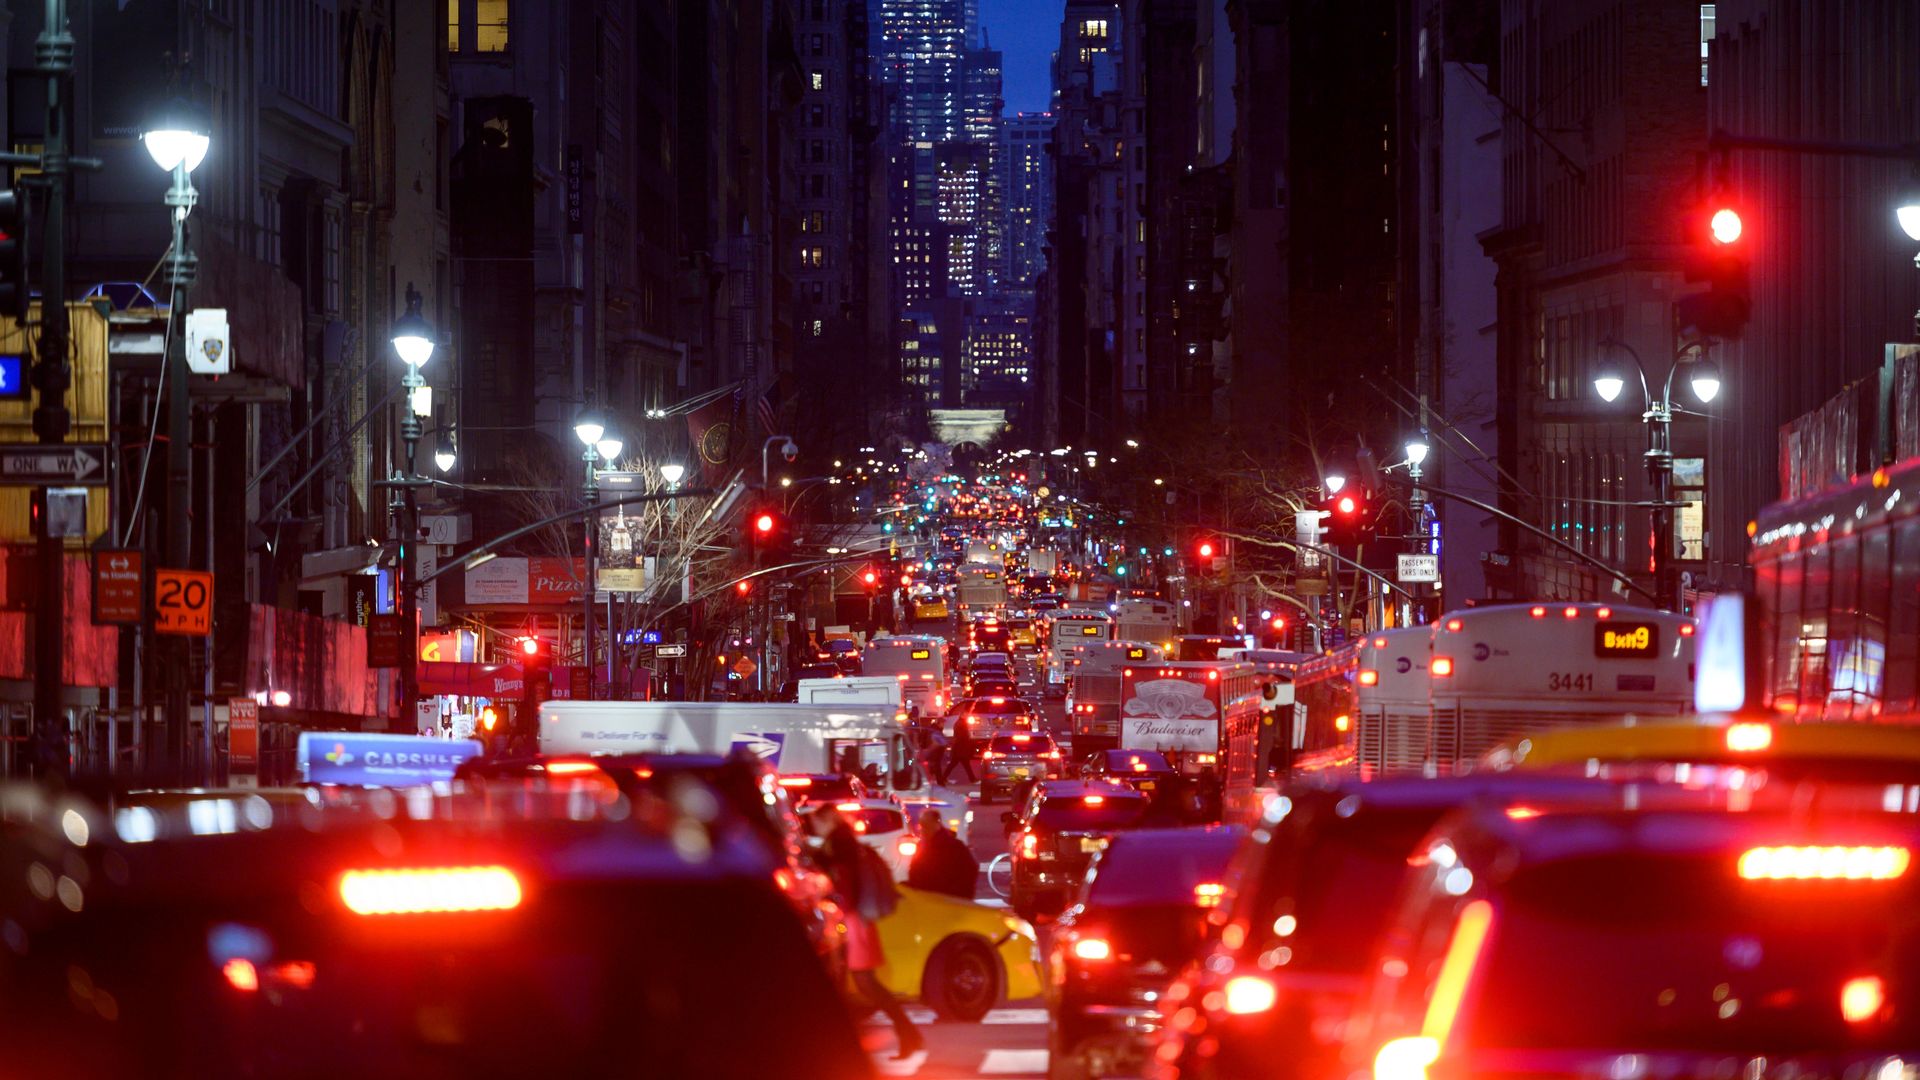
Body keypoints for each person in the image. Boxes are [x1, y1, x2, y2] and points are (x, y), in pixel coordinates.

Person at [809, 804, 924, 1058]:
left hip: (853, 921)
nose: (814, 827)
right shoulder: (842, 840)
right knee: (864, 984)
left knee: (866, 983)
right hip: (856, 919)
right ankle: (908, 1035)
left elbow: (844, 882)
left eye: (817, 822)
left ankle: (907, 1035)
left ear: (826, 821)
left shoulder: (839, 843)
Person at [906, 808, 976, 899]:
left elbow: (970, 871)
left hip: (946, 901)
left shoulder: (953, 847)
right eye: (921, 826)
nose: (922, 830)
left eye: (926, 826)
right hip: (933, 901)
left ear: (936, 824)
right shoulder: (923, 846)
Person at [941, 717, 977, 785]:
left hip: (959, 750)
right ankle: (972, 779)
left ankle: (943, 777)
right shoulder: (961, 726)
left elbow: (959, 738)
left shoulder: (959, 725)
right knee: (965, 765)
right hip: (961, 749)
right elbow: (961, 738)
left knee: (957, 765)